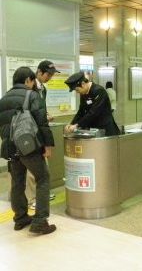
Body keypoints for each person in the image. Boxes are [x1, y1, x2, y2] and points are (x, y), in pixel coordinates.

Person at [0, 67, 56, 234]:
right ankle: (40, 221)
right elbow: (42, 123)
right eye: (32, 82)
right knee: (43, 178)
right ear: (28, 81)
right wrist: (47, 145)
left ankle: (20, 218)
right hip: (29, 146)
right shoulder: (32, 96)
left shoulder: (3, 99)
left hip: (11, 148)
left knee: (17, 182)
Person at [26, 60, 60, 209]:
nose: (50, 78)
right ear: (39, 72)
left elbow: (40, 108)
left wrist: (45, 114)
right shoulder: (29, 88)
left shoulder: (43, 89)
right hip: (29, 132)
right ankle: (31, 198)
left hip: (39, 130)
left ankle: (42, 194)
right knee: (30, 167)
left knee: (42, 165)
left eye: (52, 75)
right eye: (48, 74)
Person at [64, 72, 120, 136]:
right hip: (93, 129)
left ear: (83, 84)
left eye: (77, 90)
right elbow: (81, 111)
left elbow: (94, 112)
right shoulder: (84, 93)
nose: (77, 92)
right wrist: (71, 124)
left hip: (105, 129)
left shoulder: (99, 91)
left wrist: (77, 125)